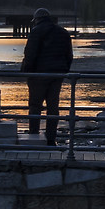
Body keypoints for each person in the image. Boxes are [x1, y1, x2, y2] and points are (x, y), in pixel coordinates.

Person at [21, 8, 74, 142]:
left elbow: (30, 55)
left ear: (37, 20)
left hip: (38, 74)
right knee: (53, 107)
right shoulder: (63, 32)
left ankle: (33, 136)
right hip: (57, 74)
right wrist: (64, 70)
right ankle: (51, 138)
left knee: (35, 105)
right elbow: (69, 55)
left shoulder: (36, 32)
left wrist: (26, 71)